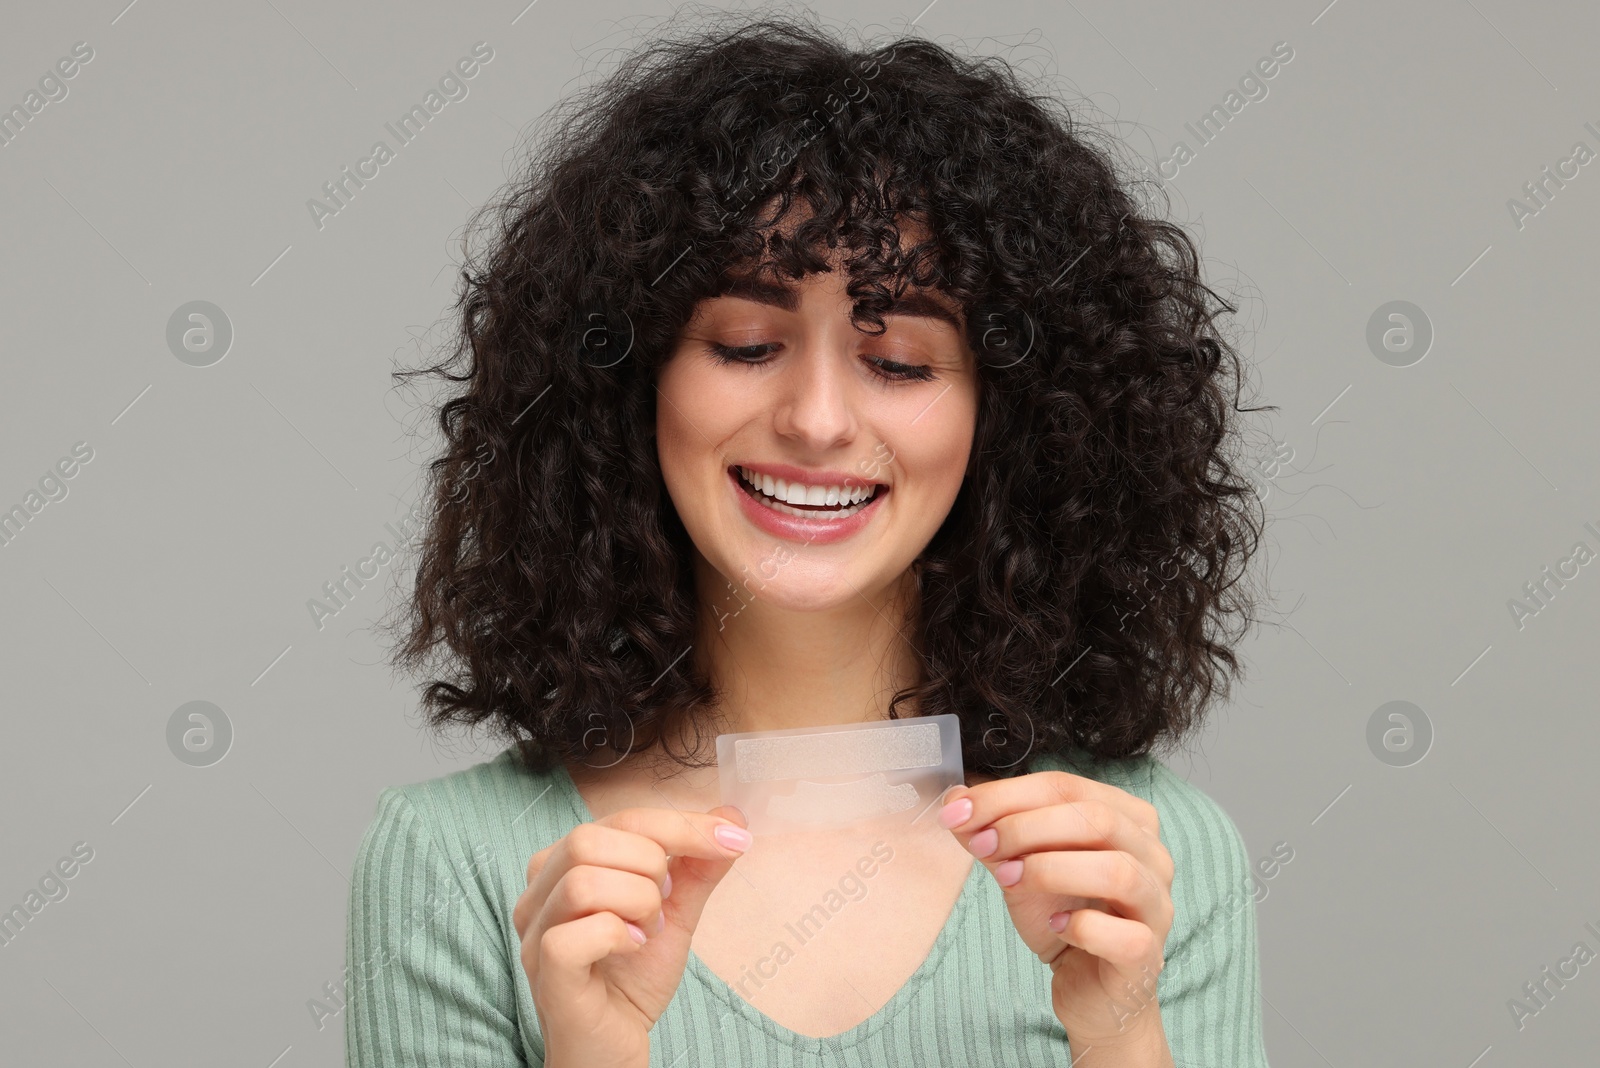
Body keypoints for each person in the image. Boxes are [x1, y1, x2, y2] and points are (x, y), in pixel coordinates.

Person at [347, 11, 1273, 1067]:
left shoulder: (1141, 862)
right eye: (746, 343)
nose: (818, 419)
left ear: (1014, 420)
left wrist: (1118, 1031)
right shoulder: (455, 865)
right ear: (629, 380)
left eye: (902, 362)